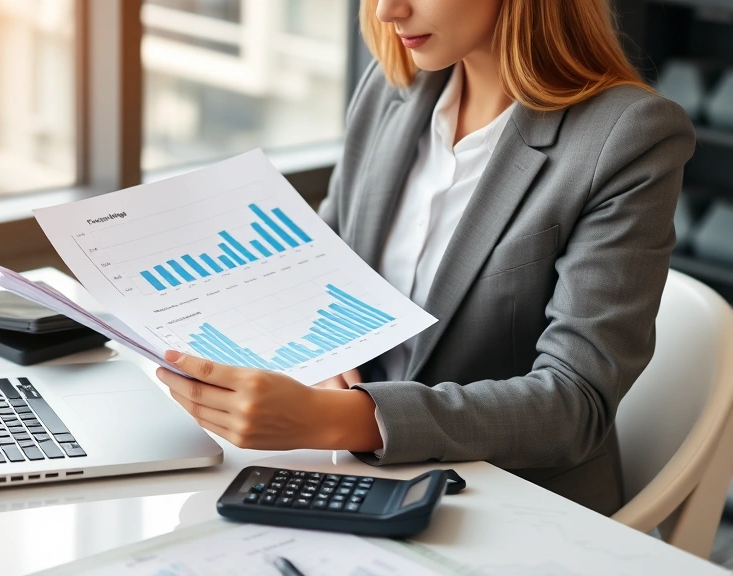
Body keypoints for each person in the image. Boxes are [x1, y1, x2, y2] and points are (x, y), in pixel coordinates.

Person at [155, 0, 695, 515]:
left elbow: (575, 404)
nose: (387, 12)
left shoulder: (628, 137)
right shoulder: (391, 89)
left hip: (514, 506)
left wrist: (341, 418)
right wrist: (326, 361)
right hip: (346, 476)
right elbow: (323, 268)